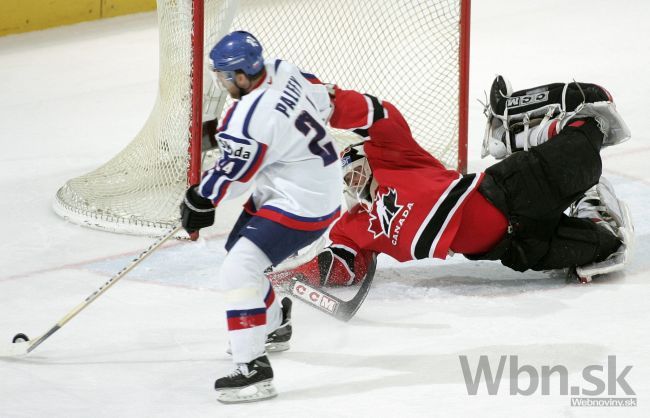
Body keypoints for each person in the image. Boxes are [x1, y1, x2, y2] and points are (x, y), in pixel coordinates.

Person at [270, 76, 634, 290]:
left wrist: (313, 94)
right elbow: (346, 266)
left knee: (590, 131)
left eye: (355, 169)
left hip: (509, 193)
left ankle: (516, 132)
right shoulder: (357, 225)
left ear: (368, 157)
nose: (354, 182)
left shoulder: (395, 156)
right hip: (514, 247)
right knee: (606, 248)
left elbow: (380, 115)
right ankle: (588, 204)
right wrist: (287, 278)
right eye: (348, 179)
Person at [180, 31, 342, 403]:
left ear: (239, 76)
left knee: (238, 269)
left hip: (301, 201)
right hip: (307, 181)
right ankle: (274, 324)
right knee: (240, 250)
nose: (219, 81)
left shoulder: (247, 118)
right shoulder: (282, 69)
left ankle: (252, 369)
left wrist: (198, 201)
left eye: (222, 75)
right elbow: (321, 96)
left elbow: (234, 181)